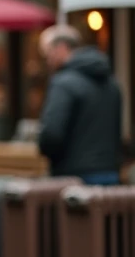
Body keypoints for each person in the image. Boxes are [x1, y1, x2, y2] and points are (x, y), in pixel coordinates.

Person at [37, 24, 122, 185]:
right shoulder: (112, 83)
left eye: (48, 53)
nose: (47, 61)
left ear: (61, 48)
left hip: (72, 177)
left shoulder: (63, 83)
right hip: (110, 172)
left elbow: (51, 135)